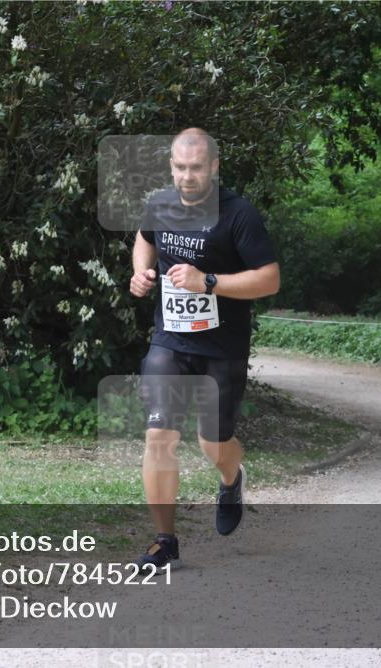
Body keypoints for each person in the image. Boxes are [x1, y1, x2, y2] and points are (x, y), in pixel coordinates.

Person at [128, 128, 280, 570]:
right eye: (179, 167)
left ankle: (231, 478)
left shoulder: (238, 214)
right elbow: (145, 239)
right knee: (159, 436)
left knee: (213, 442)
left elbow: (269, 279)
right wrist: (142, 273)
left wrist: (208, 281)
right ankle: (164, 541)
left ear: (214, 167)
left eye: (196, 168)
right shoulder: (160, 203)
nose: (187, 177)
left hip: (222, 347)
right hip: (169, 341)